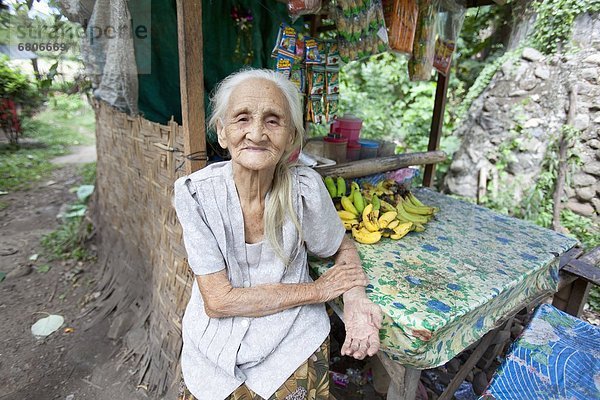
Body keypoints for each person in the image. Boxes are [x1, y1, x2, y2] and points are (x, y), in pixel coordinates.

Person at [173, 68, 382, 400]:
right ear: (222, 133)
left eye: (273, 121)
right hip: (213, 349)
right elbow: (218, 301)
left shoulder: (305, 189)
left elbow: (341, 246)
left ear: (291, 138)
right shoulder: (195, 196)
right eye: (242, 119)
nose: (256, 133)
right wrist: (317, 291)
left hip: (291, 341)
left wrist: (356, 301)